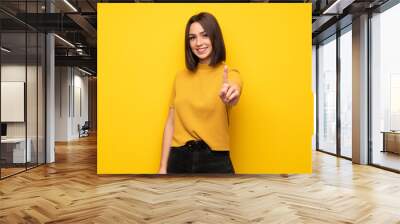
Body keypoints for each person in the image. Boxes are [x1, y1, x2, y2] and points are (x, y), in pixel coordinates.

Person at [158, 12, 243, 174]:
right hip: (177, 159)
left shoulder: (230, 74)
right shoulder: (180, 77)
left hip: (216, 160)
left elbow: (235, 89)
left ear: (215, 38)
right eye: (192, 37)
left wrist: (232, 94)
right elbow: (170, 123)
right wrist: (162, 167)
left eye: (205, 35)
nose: (198, 43)